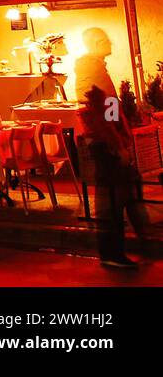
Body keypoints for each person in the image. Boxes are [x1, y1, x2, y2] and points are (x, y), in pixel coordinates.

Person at [80, 86, 150, 269]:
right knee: (114, 202)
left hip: (107, 152)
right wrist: (120, 147)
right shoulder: (104, 95)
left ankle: (115, 251)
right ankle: (113, 253)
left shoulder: (100, 94)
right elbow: (108, 124)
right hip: (109, 154)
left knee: (116, 201)